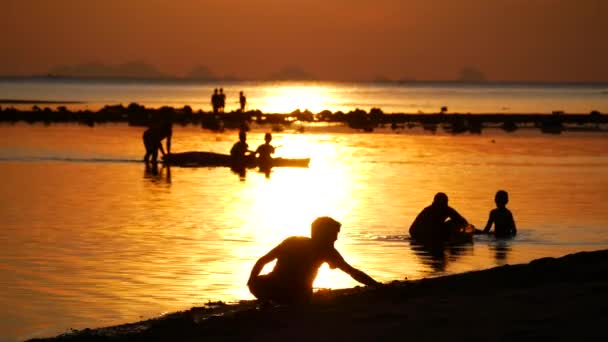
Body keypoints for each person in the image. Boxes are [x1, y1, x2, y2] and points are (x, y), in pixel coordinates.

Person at [247, 217, 380, 304]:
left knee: (257, 283)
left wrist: (251, 280)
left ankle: (269, 301)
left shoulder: (292, 241)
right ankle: (275, 301)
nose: (336, 239)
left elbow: (262, 261)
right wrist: (378, 286)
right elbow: (353, 272)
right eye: (334, 234)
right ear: (324, 234)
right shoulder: (327, 251)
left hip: (273, 288)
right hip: (297, 295)